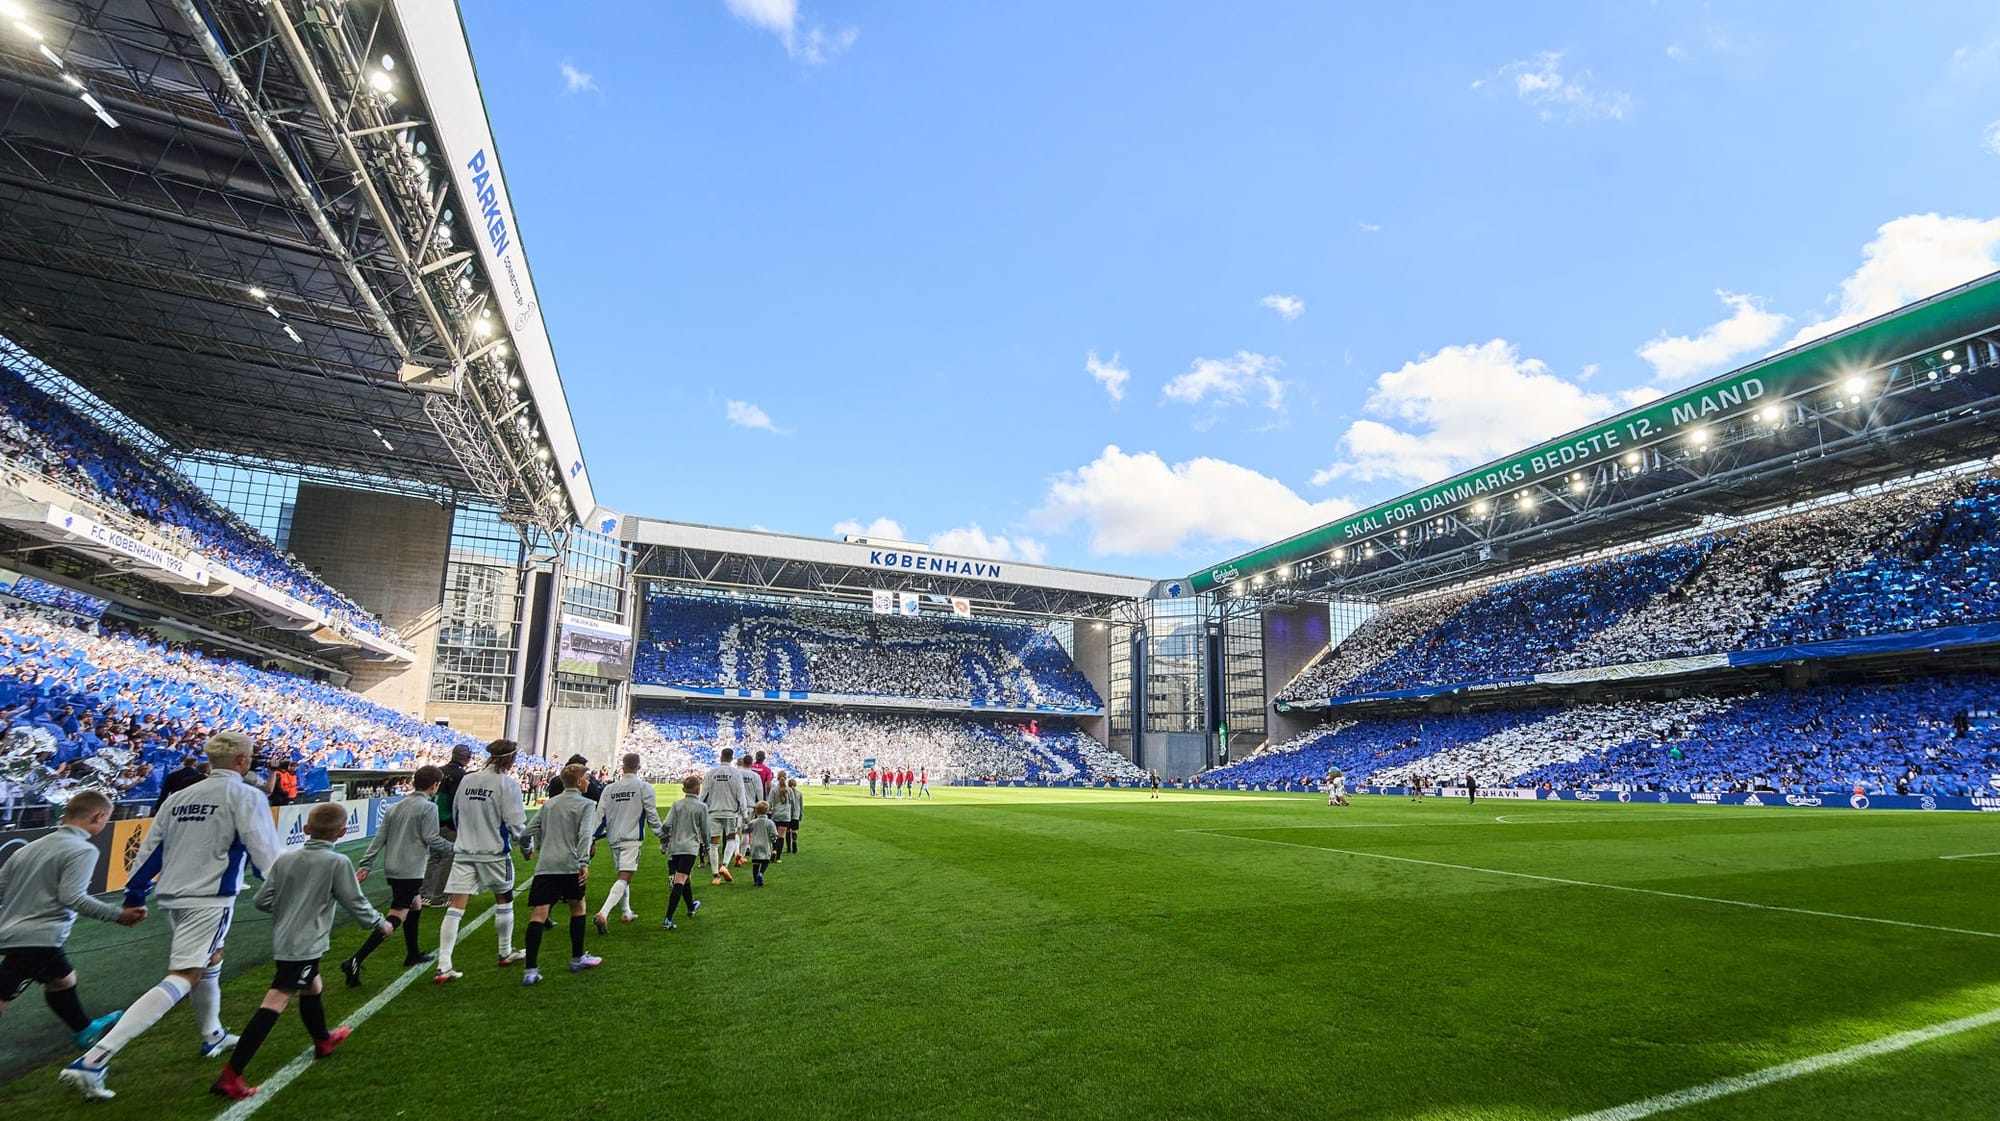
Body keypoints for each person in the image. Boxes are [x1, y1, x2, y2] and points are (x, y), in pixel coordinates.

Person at [63, 731, 282, 1102]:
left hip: (173, 895)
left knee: (210, 960)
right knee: (185, 975)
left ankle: (211, 1034)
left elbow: (151, 849)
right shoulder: (246, 795)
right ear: (243, 761)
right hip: (209, 896)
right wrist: (280, 889)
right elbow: (263, 849)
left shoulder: (180, 796)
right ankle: (96, 1057)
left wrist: (136, 892)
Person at [209, 804, 392, 1100]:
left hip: (286, 938)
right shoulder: (337, 861)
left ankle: (322, 1041)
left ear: (306, 829)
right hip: (303, 944)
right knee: (277, 998)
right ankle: (231, 1075)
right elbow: (354, 900)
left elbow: (261, 900)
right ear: (342, 832)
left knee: (312, 985)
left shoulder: (286, 860)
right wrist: (378, 923)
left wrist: (289, 908)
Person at [0, 791, 141, 1053]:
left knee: (62, 979)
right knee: (3, 993)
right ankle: (84, 1031)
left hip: (18, 933)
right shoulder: (83, 849)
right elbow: (73, 897)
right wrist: (117, 914)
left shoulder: (29, 848)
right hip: (37, 938)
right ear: (99, 817)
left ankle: (84, 1031)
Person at [341, 764, 453, 985]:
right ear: (435, 785)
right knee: (396, 917)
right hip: (410, 870)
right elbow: (432, 838)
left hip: (394, 867)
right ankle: (355, 960)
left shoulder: (395, 806)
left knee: (415, 904)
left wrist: (366, 864)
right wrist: (456, 848)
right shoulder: (428, 808)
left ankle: (413, 953)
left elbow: (379, 837)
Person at [433, 740, 527, 984]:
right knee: (504, 899)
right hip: (493, 852)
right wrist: (527, 846)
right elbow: (516, 824)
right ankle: (505, 951)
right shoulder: (507, 784)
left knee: (456, 907)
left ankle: (444, 963)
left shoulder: (468, 779)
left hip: (464, 850)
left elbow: (455, 812)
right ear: (510, 759)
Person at [518, 763, 601, 986]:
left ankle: (531, 970)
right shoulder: (586, 805)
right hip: (570, 864)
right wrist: (584, 862)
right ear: (580, 781)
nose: (590, 781)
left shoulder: (549, 804)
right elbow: (585, 835)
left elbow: (526, 832)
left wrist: (526, 848)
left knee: (538, 914)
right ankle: (577, 958)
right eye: (587, 778)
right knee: (578, 906)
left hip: (546, 865)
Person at [593, 753, 662, 932]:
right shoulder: (643, 787)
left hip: (613, 837)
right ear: (638, 767)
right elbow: (651, 814)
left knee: (622, 876)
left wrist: (592, 838)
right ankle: (603, 912)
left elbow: (599, 816)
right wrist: (661, 833)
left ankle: (626, 911)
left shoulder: (609, 789)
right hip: (632, 838)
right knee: (625, 877)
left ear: (622, 767)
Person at [421, 744, 472, 908]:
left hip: (433, 821)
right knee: (447, 859)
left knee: (434, 858)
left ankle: (424, 894)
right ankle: (439, 896)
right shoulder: (462, 776)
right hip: (450, 823)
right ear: (466, 759)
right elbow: (458, 802)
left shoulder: (438, 771)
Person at [660, 775, 706, 930]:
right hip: (690, 847)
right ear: (699, 789)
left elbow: (666, 824)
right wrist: (706, 846)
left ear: (683, 789)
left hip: (675, 846)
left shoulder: (676, 805)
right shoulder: (701, 807)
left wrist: (665, 837)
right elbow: (705, 830)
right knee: (680, 879)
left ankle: (691, 907)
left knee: (685, 878)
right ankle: (668, 918)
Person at [700, 749, 744, 885]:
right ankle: (724, 865)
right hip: (731, 812)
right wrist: (745, 813)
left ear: (720, 757)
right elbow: (740, 794)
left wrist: (699, 808)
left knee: (714, 844)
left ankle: (715, 876)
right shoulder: (736, 773)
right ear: (732, 758)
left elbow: (703, 794)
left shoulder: (711, 773)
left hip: (713, 812)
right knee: (731, 838)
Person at [734, 755, 761, 867]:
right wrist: (759, 805)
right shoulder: (755, 776)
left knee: (735, 831)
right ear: (752, 763)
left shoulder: (736, 773)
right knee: (746, 831)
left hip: (735, 806)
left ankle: (736, 852)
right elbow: (759, 792)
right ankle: (743, 856)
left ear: (743, 762)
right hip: (750, 806)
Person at [745, 803, 778, 888]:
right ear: (767, 811)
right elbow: (774, 834)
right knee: (765, 861)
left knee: (755, 863)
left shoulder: (753, 822)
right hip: (765, 844)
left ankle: (755, 881)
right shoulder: (770, 823)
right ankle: (761, 873)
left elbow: (746, 829)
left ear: (756, 811)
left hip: (755, 844)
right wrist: (773, 841)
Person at [768, 770, 793, 862]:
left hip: (776, 814)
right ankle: (778, 857)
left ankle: (774, 850)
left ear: (777, 778)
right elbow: (792, 803)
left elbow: (769, 802)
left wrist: (770, 811)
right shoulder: (789, 790)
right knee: (781, 836)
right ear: (786, 778)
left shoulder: (774, 789)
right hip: (786, 815)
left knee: (775, 835)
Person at [784, 777, 802, 855]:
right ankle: (794, 841)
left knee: (787, 831)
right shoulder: (799, 793)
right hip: (796, 814)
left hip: (788, 814)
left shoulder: (786, 793)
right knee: (794, 830)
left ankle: (788, 848)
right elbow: (801, 806)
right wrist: (801, 814)